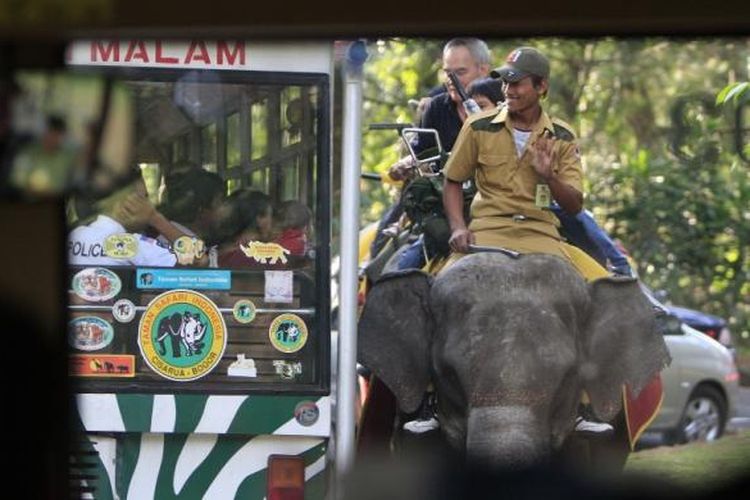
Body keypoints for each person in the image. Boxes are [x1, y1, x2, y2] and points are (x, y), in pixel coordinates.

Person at [441, 46, 614, 435]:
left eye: (517, 83)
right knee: (438, 292)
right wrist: (457, 226)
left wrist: (549, 176)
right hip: (486, 232)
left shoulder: (563, 137)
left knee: (590, 297)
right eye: (505, 81)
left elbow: (573, 205)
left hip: (542, 236)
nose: (508, 89)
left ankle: (582, 405)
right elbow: (453, 181)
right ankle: (426, 399)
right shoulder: (479, 126)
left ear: (541, 87)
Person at [68, 168, 178, 267]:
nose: (149, 204)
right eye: (144, 198)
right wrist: (156, 219)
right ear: (125, 204)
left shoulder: (76, 234)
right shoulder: (132, 244)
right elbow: (192, 264)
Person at [9, 114, 81, 197]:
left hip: (55, 204)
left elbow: (83, 161)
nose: (52, 138)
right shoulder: (27, 153)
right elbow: (18, 183)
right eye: (50, 132)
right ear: (43, 132)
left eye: (57, 134)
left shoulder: (66, 156)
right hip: (27, 202)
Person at [217, 189, 274, 268]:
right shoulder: (253, 259)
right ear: (259, 219)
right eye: (270, 215)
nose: (271, 221)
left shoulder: (218, 252)